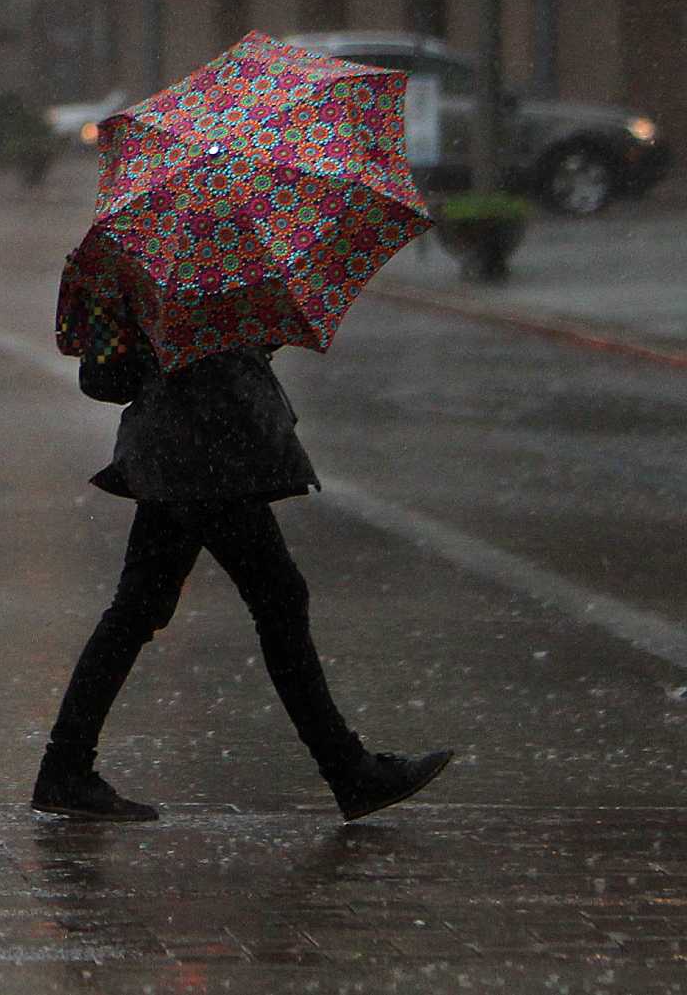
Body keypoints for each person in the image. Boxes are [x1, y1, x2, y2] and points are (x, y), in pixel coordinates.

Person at [33, 291, 454, 823]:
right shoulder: (146, 269)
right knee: (274, 597)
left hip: (186, 452)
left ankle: (65, 767)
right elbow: (103, 380)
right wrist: (177, 349)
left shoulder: (169, 260)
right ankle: (348, 770)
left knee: (141, 608)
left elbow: (112, 377)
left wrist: (233, 338)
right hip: (205, 452)